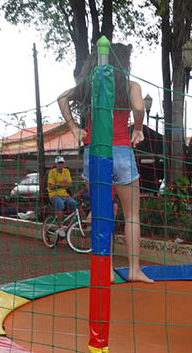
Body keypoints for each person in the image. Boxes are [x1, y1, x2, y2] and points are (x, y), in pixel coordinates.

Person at [57, 42, 152, 283]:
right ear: (124, 64)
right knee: (131, 215)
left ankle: (106, 270)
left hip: (96, 152)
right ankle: (134, 269)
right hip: (121, 152)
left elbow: (62, 98)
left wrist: (75, 128)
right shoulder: (130, 86)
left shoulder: (91, 85)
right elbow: (138, 107)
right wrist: (138, 128)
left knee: (102, 214)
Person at [47, 156, 78, 235]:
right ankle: (60, 227)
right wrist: (63, 184)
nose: (60, 165)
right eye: (59, 163)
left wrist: (58, 184)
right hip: (54, 195)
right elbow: (51, 187)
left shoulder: (66, 171)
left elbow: (69, 184)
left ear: (64, 164)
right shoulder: (52, 172)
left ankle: (82, 223)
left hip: (64, 195)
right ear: (55, 164)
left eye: (62, 163)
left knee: (76, 205)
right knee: (60, 205)